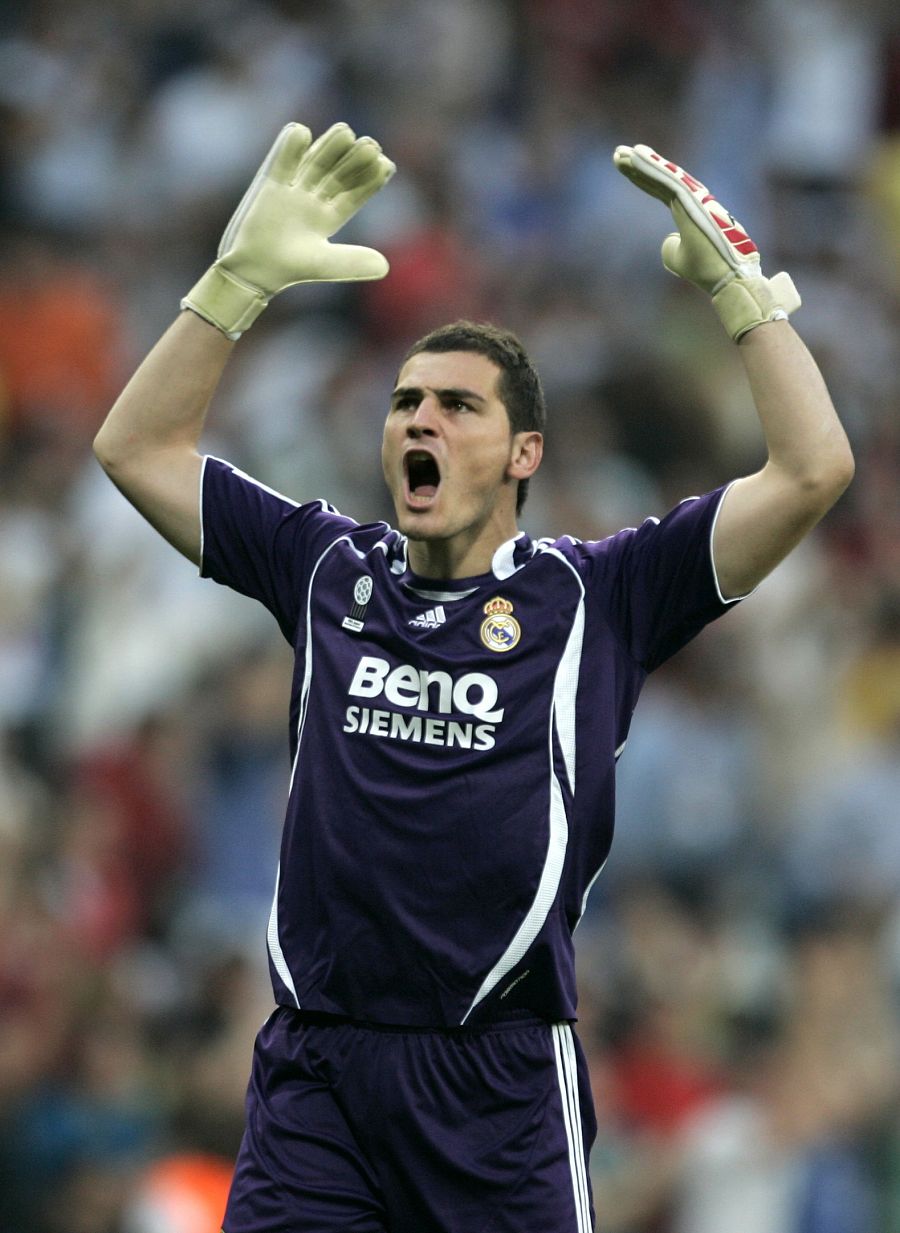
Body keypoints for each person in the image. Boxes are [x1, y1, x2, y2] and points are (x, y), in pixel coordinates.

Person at [93, 122, 854, 1233]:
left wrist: (747, 298)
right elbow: (138, 449)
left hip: (496, 1088)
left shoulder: (600, 594)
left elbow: (813, 468)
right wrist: (233, 285)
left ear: (524, 453)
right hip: (321, 1074)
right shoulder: (324, 569)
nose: (421, 419)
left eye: (458, 406)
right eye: (407, 402)